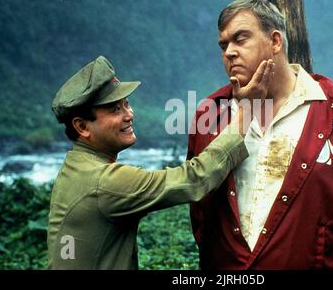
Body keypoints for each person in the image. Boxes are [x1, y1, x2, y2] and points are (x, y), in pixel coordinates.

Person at [188, 0, 333, 269]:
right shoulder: (210, 115)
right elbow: (199, 206)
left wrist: (325, 249)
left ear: (275, 42)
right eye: (224, 45)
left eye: (240, 39)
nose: (229, 52)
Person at [47, 55, 274, 269]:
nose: (129, 114)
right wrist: (246, 112)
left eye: (127, 104)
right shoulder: (103, 182)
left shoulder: (76, 166)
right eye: (116, 109)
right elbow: (194, 179)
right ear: (82, 127)